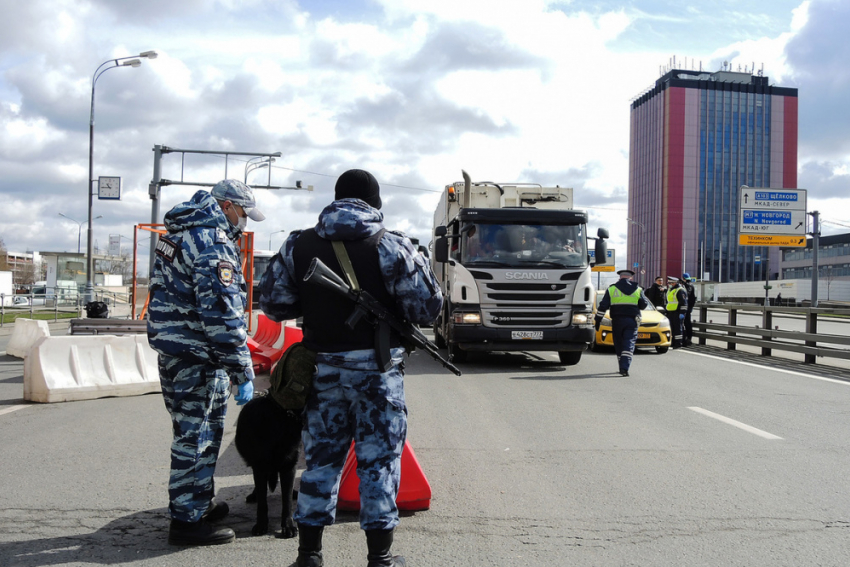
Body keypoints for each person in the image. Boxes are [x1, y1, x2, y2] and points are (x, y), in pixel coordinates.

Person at [258, 169, 442, 567]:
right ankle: (381, 558)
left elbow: (272, 302)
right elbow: (427, 308)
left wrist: (313, 303)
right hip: (377, 373)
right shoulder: (393, 246)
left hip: (321, 370)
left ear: (336, 198)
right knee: (378, 464)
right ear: (375, 203)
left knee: (321, 462)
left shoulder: (298, 244)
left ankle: (309, 555)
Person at [147, 179, 263, 546]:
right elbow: (222, 315)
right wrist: (241, 369)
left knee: (199, 431)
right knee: (195, 437)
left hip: (176, 350)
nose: (244, 222)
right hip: (198, 355)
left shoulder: (181, 232)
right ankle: (185, 522)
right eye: (243, 213)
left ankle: (197, 502)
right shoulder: (212, 242)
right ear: (227, 206)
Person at [594, 269, 649, 376]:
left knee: (618, 343)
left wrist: (598, 320)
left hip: (617, 321)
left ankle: (621, 366)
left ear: (620, 277)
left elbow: (603, 306)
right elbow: (644, 305)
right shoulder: (638, 289)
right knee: (629, 343)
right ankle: (624, 368)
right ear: (631, 277)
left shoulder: (612, 289)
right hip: (632, 320)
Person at [666, 275, 688, 349]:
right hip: (670, 312)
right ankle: (673, 342)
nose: (669, 284)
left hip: (677, 312)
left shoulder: (680, 290)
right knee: (672, 328)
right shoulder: (670, 290)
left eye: (670, 283)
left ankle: (678, 343)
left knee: (678, 328)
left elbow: (684, 303)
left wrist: (682, 313)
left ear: (674, 283)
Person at [681, 273, 696, 346]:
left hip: (687, 307)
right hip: (688, 307)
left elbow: (688, 294)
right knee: (686, 323)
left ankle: (688, 339)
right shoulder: (690, 285)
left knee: (687, 323)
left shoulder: (689, 285)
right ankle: (687, 339)